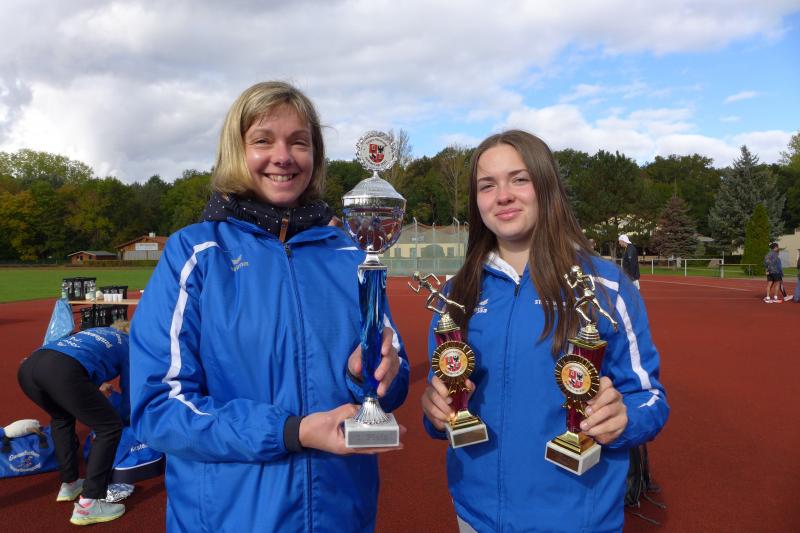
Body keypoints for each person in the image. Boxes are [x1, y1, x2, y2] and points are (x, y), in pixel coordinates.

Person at [129, 81, 409, 532]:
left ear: (315, 155)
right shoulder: (196, 253)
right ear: (237, 151)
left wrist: (369, 376)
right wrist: (290, 431)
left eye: (299, 142)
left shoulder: (351, 253)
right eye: (263, 140)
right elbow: (158, 407)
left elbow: (393, 385)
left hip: (341, 515)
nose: (283, 156)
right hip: (230, 518)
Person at [420, 130, 669, 532]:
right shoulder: (456, 293)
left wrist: (624, 418)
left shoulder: (605, 287)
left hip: (576, 521)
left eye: (519, 179)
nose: (503, 196)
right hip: (475, 516)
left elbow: (650, 397)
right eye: (487, 185)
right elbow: (444, 394)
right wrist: (435, 411)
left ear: (546, 186)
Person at [17, 320, 130, 526]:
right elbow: (131, 394)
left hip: (29, 367)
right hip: (62, 370)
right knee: (109, 427)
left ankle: (69, 483)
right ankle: (90, 503)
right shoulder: (129, 344)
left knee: (62, 418)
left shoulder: (96, 332)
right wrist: (127, 416)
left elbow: (80, 364)